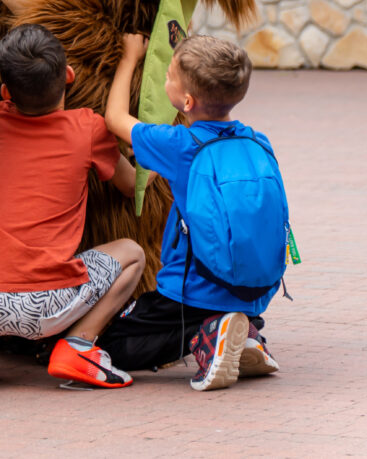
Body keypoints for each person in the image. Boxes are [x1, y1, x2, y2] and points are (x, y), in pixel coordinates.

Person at [0, 24, 145, 390]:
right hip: (51, 307)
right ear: (70, 76)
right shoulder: (89, 128)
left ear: (6, 92)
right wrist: (149, 169)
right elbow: (127, 185)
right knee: (133, 254)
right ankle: (79, 345)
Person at [103, 33, 282, 392]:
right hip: (251, 289)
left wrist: (129, 58)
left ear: (186, 100)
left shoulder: (181, 144)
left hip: (189, 291)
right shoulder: (257, 141)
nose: (165, 80)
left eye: (168, 76)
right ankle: (246, 332)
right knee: (221, 309)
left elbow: (115, 118)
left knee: (109, 345)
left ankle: (208, 335)